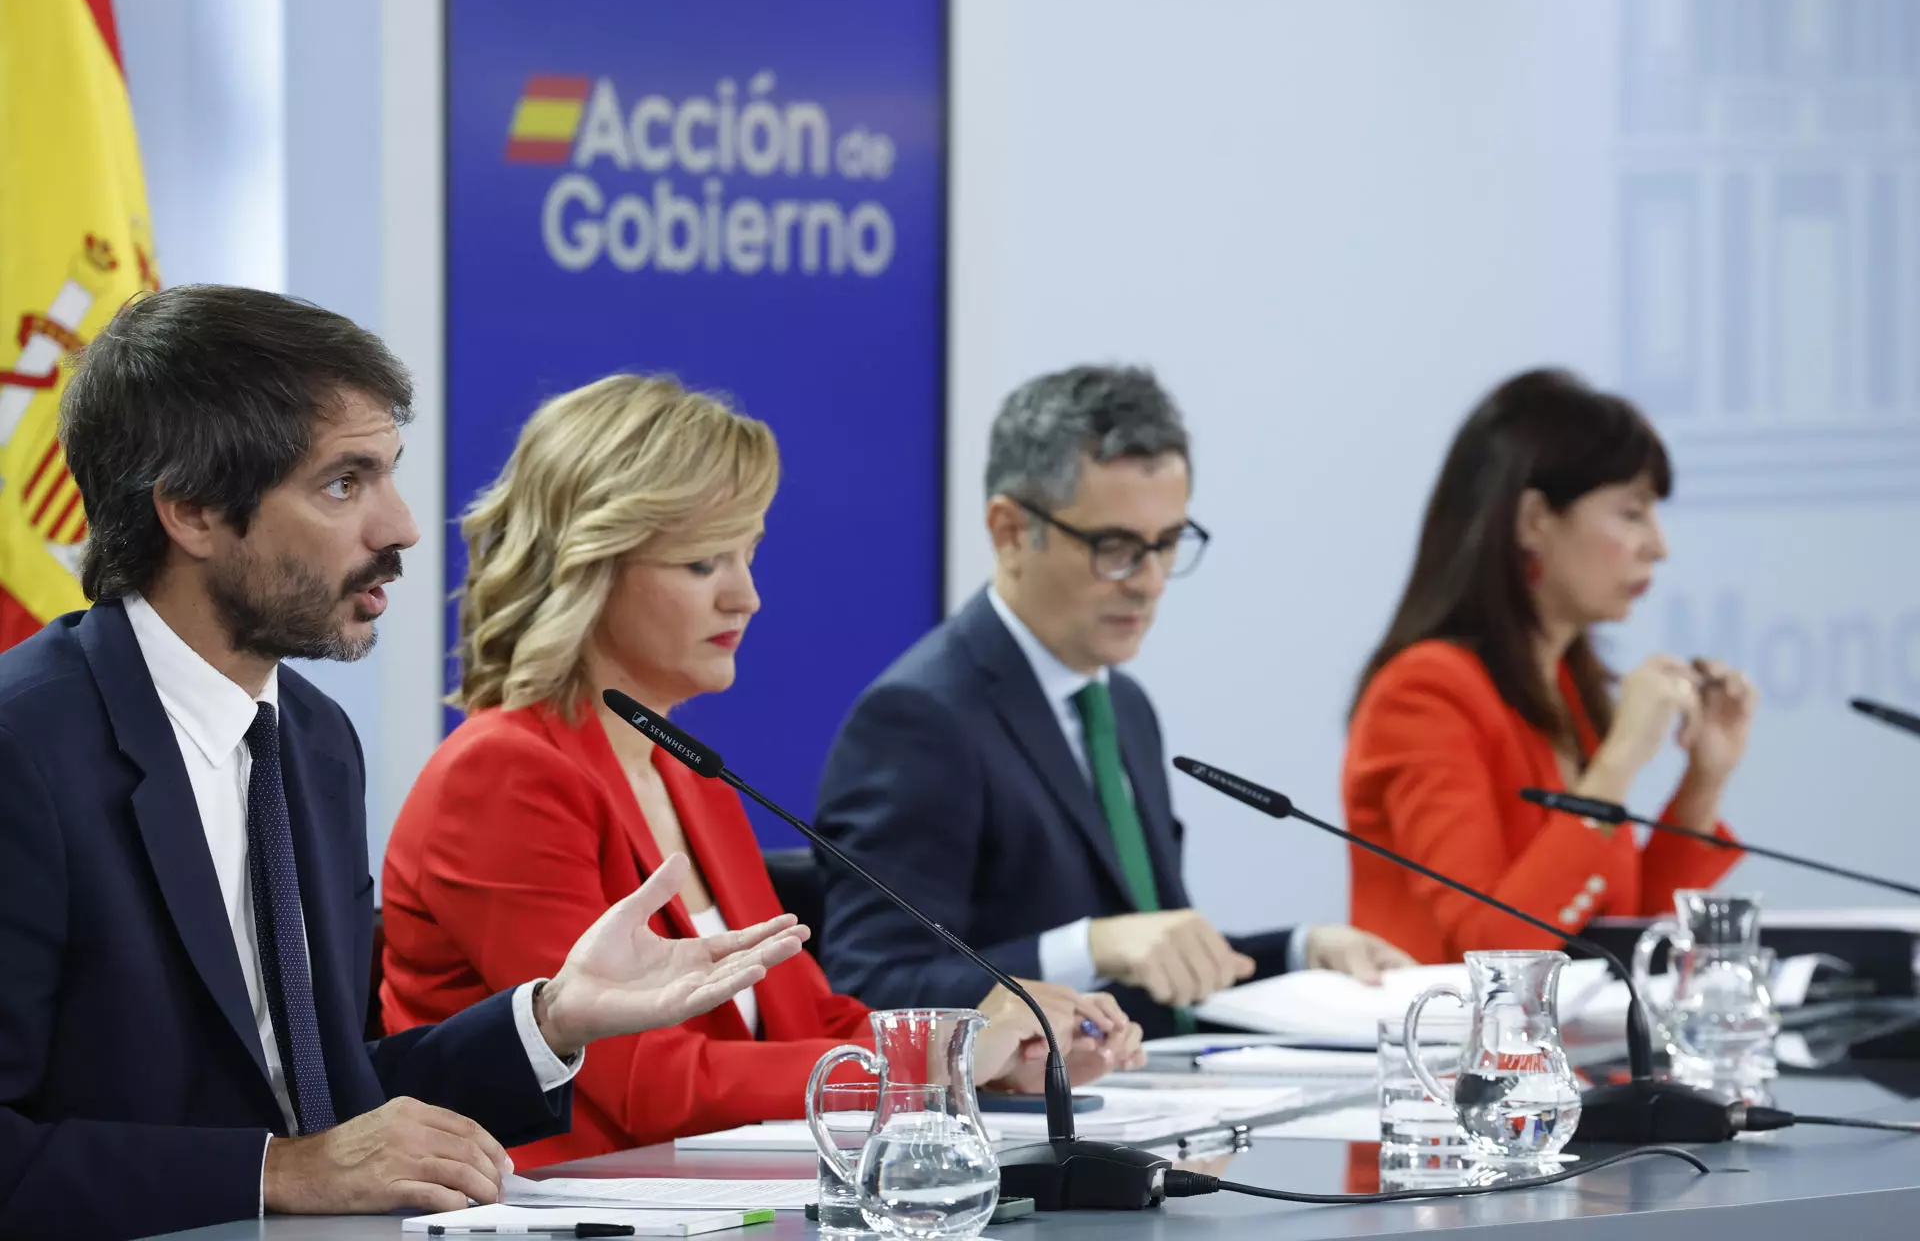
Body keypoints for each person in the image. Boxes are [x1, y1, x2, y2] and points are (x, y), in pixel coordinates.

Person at [0, 287, 810, 1240]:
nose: (402, 529)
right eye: (345, 484)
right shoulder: (26, 751)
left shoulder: (311, 741)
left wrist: (551, 1020)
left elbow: (337, 1097)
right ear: (191, 512)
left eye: (388, 474)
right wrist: (280, 1171)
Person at [381, 374, 1144, 1167]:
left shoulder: (683, 769)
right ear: (592, 564)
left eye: (748, 554)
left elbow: (808, 1016)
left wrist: (990, 1049)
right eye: (704, 563)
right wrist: (926, 1071)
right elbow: (645, 1085)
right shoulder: (503, 776)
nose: (745, 597)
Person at [815, 365, 1411, 1038]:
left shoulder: (1123, 706)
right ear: (1010, 531)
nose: (1150, 582)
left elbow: (1152, 965)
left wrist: (1303, 952)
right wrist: (1091, 947)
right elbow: (873, 987)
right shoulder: (919, 719)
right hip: (1014, 1137)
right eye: (1116, 548)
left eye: (1166, 544)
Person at [1343, 368, 1752, 965]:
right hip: (1448, 1054)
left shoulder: (1563, 688)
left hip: (1569, 1055)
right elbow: (1493, 951)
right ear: (1534, 521)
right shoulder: (1425, 692)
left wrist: (1703, 781)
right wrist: (1617, 763)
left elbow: (1622, 940)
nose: (1658, 547)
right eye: (1631, 513)